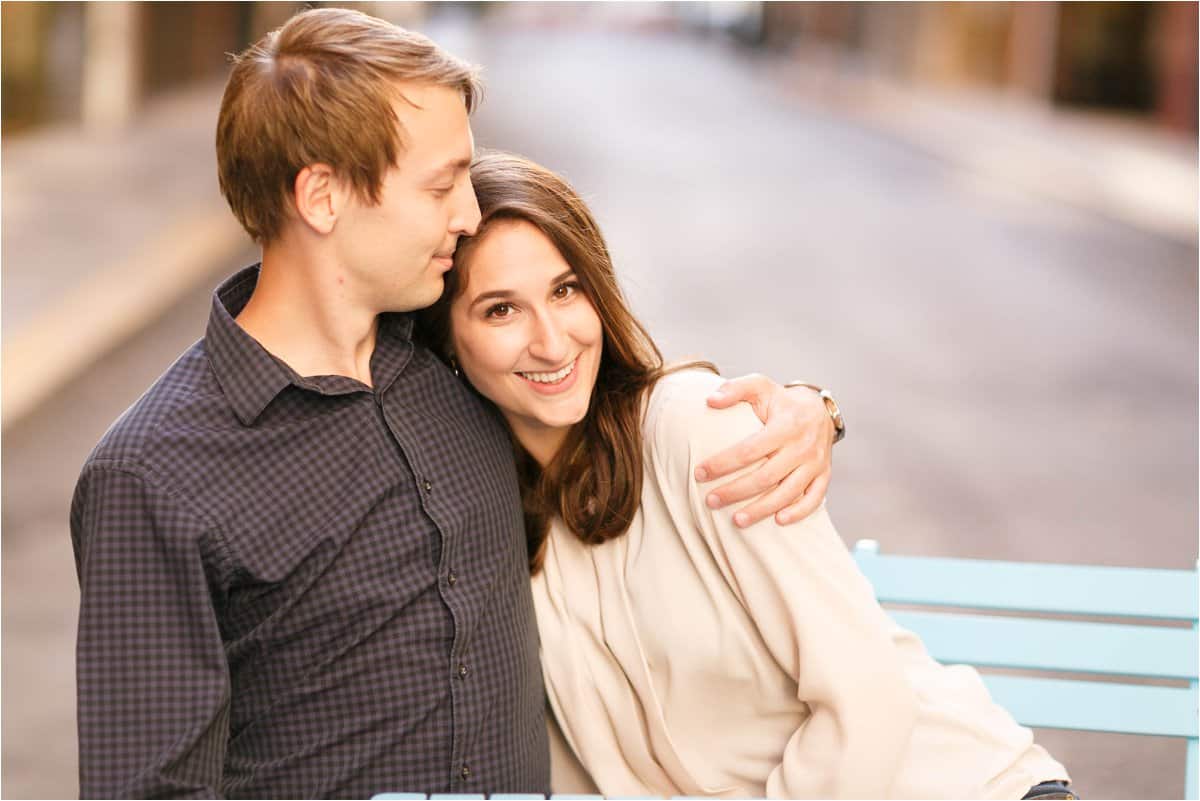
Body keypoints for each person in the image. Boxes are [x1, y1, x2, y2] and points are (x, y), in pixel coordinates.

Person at [69, 8, 842, 799]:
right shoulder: (151, 475)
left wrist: (803, 409)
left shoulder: (457, 353)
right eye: (441, 185)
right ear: (323, 196)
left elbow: (610, 400)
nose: (468, 215)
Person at [418, 151, 1075, 800]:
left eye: (566, 290)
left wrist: (819, 407)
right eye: (501, 309)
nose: (553, 342)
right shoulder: (488, 512)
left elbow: (866, 698)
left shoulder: (700, 431)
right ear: (448, 339)